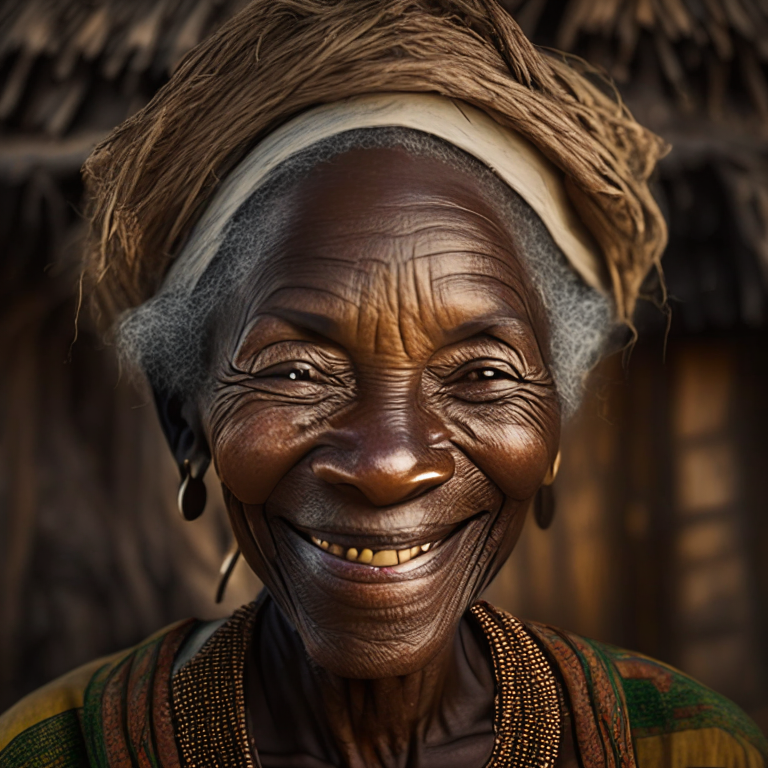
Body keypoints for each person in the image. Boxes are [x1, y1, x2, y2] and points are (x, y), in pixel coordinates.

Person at [1, 2, 765, 767]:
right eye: (298, 371)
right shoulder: (51, 751)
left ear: (554, 424)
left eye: (482, 375)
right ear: (184, 420)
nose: (388, 465)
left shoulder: (690, 748)